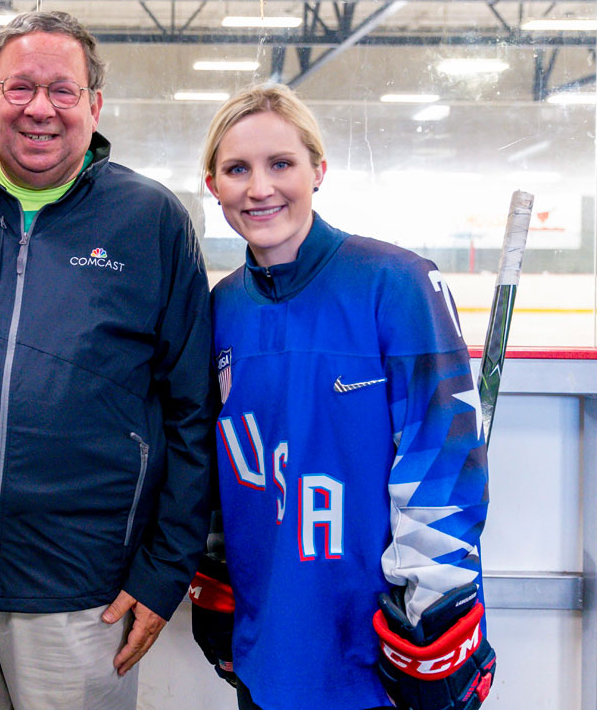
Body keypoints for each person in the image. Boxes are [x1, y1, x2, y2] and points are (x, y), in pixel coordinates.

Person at [0, 10, 216, 710]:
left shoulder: (152, 220)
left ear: (95, 106)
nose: (40, 108)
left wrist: (163, 574)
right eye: (19, 88)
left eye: (63, 91)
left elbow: (194, 413)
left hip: (84, 592)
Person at [189, 83, 497, 710]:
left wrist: (431, 619)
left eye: (282, 164)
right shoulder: (221, 309)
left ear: (318, 170)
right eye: (237, 169)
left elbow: (442, 464)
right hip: (266, 649)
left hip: (379, 655)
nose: (259, 188)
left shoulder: (398, 283)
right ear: (212, 184)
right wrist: (215, 583)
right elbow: (218, 472)